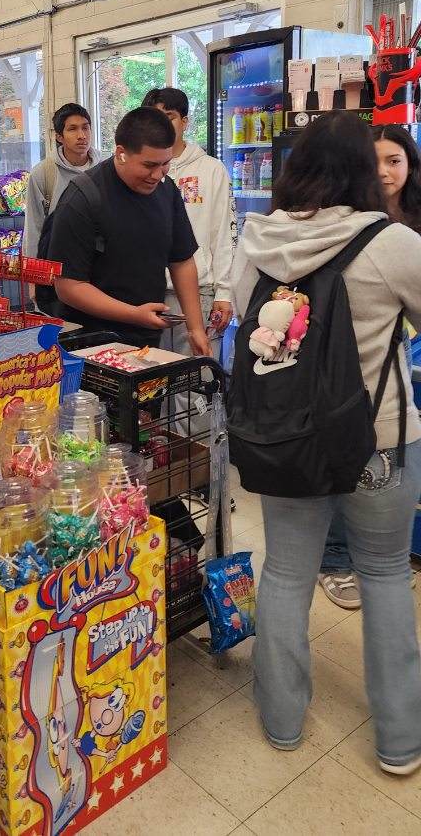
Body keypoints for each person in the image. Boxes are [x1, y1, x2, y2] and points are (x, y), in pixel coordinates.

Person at [232, 113, 421, 774]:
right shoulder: (391, 241)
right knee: (386, 574)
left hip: (284, 438)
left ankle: (282, 721)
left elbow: (245, 320)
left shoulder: (254, 239)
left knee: (285, 573)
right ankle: (400, 740)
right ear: (365, 171)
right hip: (380, 440)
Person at [319, 125, 421, 610]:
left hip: (401, 357)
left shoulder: (412, 222)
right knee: (356, 461)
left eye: (395, 160)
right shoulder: (349, 221)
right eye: (374, 161)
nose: (384, 171)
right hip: (354, 369)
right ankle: (340, 561)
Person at [47, 106, 211, 354]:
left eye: (165, 164)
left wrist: (195, 328)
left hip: (146, 340)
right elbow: (69, 286)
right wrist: (134, 314)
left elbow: (182, 261)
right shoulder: (83, 197)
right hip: (90, 344)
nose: (157, 175)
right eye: (149, 165)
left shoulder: (167, 191)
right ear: (121, 153)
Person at [141, 87, 236, 359]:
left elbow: (225, 233)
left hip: (199, 292)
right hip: (148, 294)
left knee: (196, 384)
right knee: (152, 382)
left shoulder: (211, 169)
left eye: (168, 117)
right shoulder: (140, 171)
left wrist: (224, 293)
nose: (161, 125)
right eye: (154, 117)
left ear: (184, 121)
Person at [23, 103, 99, 259]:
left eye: (85, 128)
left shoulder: (105, 168)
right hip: (60, 265)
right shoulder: (43, 174)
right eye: (72, 129)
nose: (82, 135)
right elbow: (33, 228)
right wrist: (34, 275)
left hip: (102, 266)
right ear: (59, 137)